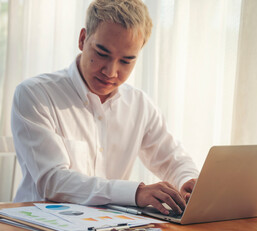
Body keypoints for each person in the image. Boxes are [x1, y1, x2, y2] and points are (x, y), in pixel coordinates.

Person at [11, 0, 199, 215]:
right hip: (37, 226)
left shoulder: (139, 105)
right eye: (102, 53)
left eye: (126, 61)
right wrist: (135, 193)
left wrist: (188, 181)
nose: (111, 72)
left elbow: (173, 159)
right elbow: (53, 182)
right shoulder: (35, 94)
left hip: (108, 228)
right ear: (82, 39)